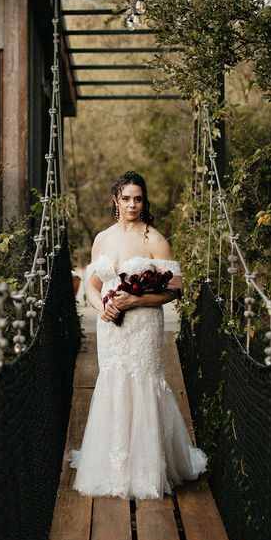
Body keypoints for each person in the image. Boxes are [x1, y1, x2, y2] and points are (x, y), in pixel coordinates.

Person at [70, 171, 207, 499]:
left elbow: (176, 289)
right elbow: (92, 286)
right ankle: (114, 467)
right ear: (115, 200)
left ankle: (146, 471)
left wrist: (136, 299)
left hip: (143, 324)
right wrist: (100, 307)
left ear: (144, 202)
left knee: (143, 383)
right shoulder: (102, 238)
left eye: (139, 198)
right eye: (127, 198)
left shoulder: (153, 239)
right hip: (111, 327)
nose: (133, 204)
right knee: (114, 382)